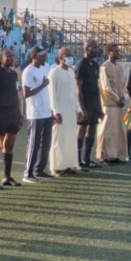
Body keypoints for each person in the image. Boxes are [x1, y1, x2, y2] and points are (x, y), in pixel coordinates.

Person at [0, 48, 23, 189]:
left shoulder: (14, 74)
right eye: (7, 56)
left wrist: (19, 113)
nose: (10, 58)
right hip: (0, 113)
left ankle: (6, 176)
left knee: (9, 145)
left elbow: (16, 94)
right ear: (0, 58)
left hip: (13, 113)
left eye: (12, 56)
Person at [47, 47, 82, 175]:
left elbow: (74, 93)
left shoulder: (71, 72)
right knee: (59, 139)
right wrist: (55, 111)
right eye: (68, 55)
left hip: (70, 110)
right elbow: (52, 94)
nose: (70, 57)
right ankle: (57, 167)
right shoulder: (54, 72)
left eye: (71, 55)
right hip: (60, 111)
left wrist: (78, 110)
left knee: (70, 138)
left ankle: (70, 164)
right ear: (61, 57)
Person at [22, 45, 52, 183]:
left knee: (45, 143)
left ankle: (39, 169)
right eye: (41, 55)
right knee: (33, 143)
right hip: (35, 112)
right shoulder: (28, 71)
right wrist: (43, 85)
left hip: (46, 111)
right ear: (34, 57)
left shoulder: (46, 67)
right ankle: (27, 173)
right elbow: (26, 93)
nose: (44, 57)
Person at [95, 43, 128, 163]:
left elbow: (121, 85)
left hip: (118, 105)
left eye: (118, 51)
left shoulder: (119, 67)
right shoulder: (104, 67)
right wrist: (117, 98)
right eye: (115, 51)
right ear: (109, 52)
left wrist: (122, 97)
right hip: (108, 104)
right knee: (106, 130)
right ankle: (104, 156)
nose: (117, 53)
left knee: (117, 130)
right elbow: (105, 87)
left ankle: (114, 155)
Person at [76, 39, 103, 167]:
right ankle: (77, 159)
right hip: (84, 101)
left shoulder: (95, 65)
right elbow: (78, 89)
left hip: (94, 101)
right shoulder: (81, 65)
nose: (97, 49)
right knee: (81, 128)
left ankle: (87, 158)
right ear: (87, 49)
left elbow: (97, 87)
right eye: (94, 47)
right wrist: (82, 108)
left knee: (92, 128)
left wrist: (99, 107)